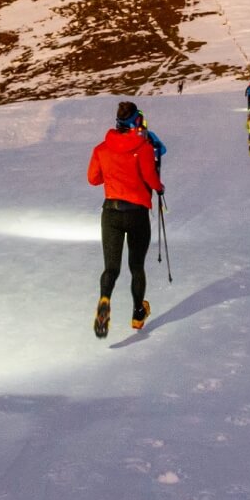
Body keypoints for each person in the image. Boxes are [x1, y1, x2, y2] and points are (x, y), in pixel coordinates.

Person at [89, 100, 164, 337]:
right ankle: (137, 314)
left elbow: (93, 178)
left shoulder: (101, 148)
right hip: (136, 213)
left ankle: (105, 299)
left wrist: (113, 174)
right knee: (136, 266)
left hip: (110, 212)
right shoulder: (142, 148)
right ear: (136, 121)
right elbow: (150, 178)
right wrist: (160, 188)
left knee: (111, 268)